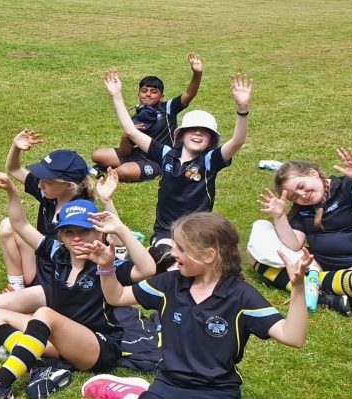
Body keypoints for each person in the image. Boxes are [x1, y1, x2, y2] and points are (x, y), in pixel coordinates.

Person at [79, 212, 310, 399]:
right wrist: (106, 267)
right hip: (169, 385)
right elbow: (117, 296)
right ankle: (131, 397)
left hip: (214, 396)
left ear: (208, 255)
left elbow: (293, 337)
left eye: (181, 248)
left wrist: (298, 288)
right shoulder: (170, 283)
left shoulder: (241, 296)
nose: (173, 254)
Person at [0, 182, 155, 399]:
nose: (77, 238)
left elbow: (148, 269)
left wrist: (120, 229)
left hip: (96, 347)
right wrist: (12, 191)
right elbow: (20, 224)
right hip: (57, 337)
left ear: (99, 232)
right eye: (69, 232)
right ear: (61, 235)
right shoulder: (57, 252)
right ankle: (36, 366)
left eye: (84, 231)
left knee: (44, 314)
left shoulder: (107, 263)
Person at [104, 69, 251, 271]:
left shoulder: (209, 161)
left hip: (196, 231)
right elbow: (131, 131)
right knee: (166, 259)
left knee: (196, 266)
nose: (198, 133)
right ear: (181, 135)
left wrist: (242, 109)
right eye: (192, 129)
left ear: (211, 140)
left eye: (205, 132)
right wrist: (116, 95)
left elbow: (237, 141)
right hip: (165, 231)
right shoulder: (166, 154)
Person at [255, 149, 352, 314]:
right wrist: (279, 216)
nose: (302, 195)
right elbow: (293, 244)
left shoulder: (348, 188)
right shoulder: (302, 209)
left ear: (313, 173)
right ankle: (324, 295)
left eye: (301, 186)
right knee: (255, 249)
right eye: (294, 197)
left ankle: (310, 285)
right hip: (320, 264)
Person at [0, 134, 94, 294]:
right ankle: (17, 285)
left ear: (69, 185)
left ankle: (28, 293)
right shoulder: (50, 192)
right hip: (40, 258)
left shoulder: (81, 213)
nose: (40, 185)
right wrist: (16, 147)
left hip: (58, 274)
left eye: (47, 182)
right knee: (8, 225)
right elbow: (14, 169)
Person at [92, 53, 203, 182]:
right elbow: (125, 151)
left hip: (159, 158)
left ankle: (141, 169)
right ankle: (127, 166)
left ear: (162, 97)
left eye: (154, 92)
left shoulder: (168, 108)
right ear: (138, 94)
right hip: (139, 154)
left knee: (123, 172)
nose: (148, 94)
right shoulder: (139, 116)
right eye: (144, 91)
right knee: (97, 155)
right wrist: (125, 136)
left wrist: (197, 74)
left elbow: (189, 94)